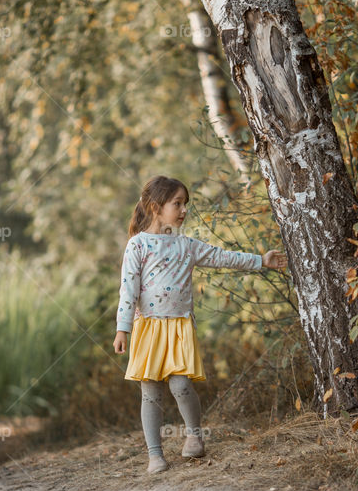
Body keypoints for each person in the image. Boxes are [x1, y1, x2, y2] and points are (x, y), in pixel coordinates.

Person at [112, 175, 288, 474]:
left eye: (185, 204)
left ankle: (194, 434)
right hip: (148, 328)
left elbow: (223, 257)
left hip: (179, 327)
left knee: (181, 384)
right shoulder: (137, 245)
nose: (183, 210)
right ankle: (155, 454)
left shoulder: (187, 245)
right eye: (177, 204)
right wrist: (122, 328)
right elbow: (128, 289)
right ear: (156, 207)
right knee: (151, 391)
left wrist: (261, 260)